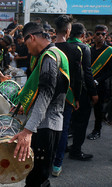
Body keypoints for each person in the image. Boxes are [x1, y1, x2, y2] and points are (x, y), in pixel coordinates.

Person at [8, 22, 70, 186]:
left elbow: (46, 94)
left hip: (46, 127)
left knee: (38, 179)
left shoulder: (49, 57)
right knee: (35, 176)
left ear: (32, 38)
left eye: (26, 43)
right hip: (44, 125)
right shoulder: (50, 54)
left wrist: (28, 130)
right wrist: (24, 104)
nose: (27, 49)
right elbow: (38, 90)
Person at [52, 15, 82, 176]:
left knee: (48, 128)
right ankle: (57, 165)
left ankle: (47, 159)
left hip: (48, 96)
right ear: (68, 31)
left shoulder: (46, 48)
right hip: (67, 96)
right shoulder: (75, 50)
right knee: (63, 130)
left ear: (55, 30)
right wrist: (76, 98)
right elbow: (77, 78)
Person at [67, 23, 98, 161]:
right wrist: (93, 92)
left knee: (67, 121)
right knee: (81, 122)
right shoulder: (84, 48)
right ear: (83, 35)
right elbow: (87, 73)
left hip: (64, 92)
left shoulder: (60, 45)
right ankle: (76, 150)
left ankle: (64, 146)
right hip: (80, 92)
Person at [87, 25, 112, 140]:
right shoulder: (89, 49)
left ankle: (97, 130)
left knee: (98, 110)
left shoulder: (109, 51)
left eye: (103, 34)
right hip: (88, 84)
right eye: (98, 34)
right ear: (94, 36)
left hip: (101, 85)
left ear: (106, 35)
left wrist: (98, 80)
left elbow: (110, 71)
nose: (100, 36)